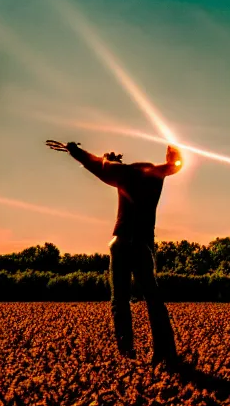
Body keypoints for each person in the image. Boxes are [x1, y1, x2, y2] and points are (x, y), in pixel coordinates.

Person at [45, 139, 182, 365]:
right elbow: (177, 166)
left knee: (120, 300)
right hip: (143, 244)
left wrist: (77, 150)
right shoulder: (158, 175)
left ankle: (127, 353)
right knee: (153, 298)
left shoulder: (124, 174)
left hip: (120, 242)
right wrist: (174, 156)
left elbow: (98, 166)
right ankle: (165, 352)